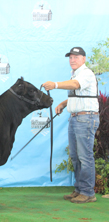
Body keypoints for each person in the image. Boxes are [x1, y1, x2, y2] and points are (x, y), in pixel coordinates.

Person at [42, 47, 99, 204]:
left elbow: (75, 85)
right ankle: (80, 189)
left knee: (84, 156)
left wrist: (55, 84)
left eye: (76, 57)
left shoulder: (85, 73)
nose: (72, 60)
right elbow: (80, 95)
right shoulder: (76, 74)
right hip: (76, 118)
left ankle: (88, 192)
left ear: (84, 59)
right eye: (70, 57)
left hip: (86, 118)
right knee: (75, 156)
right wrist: (63, 103)